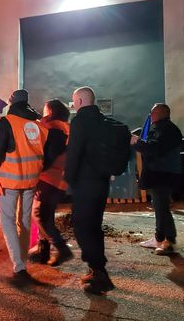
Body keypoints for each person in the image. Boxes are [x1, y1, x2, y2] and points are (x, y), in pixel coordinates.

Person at [0, 89, 49, 285]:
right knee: (24, 220)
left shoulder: (8, 122)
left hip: (11, 181)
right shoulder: (37, 125)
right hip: (31, 180)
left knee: (8, 220)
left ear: (12, 102)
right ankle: (22, 260)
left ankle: (19, 265)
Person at [64, 86, 115, 295]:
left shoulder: (80, 121)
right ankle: (96, 270)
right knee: (94, 226)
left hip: (85, 184)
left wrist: (68, 179)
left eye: (74, 102)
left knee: (82, 228)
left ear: (81, 101)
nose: (74, 105)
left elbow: (74, 153)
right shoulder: (104, 122)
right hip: (102, 183)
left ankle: (100, 274)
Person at [131, 103, 182, 255]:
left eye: (152, 113)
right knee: (160, 207)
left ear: (158, 113)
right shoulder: (166, 128)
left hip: (162, 174)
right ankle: (160, 239)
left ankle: (168, 242)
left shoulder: (165, 130)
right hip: (162, 173)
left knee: (161, 208)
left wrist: (137, 143)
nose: (150, 116)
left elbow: (154, 149)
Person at [30, 99, 73, 267]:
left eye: (45, 108)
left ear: (51, 111)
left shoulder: (52, 128)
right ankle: (43, 251)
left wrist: (38, 168)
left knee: (41, 215)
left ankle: (62, 249)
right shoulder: (66, 128)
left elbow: (48, 154)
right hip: (60, 180)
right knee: (45, 214)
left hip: (48, 179)